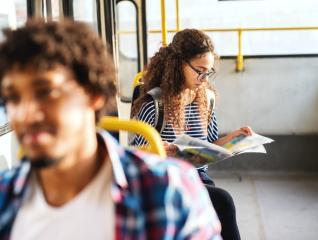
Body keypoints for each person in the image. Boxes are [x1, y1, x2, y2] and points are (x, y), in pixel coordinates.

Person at [0, 20, 222, 239]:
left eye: (45, 92)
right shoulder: (5, 198)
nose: (25, 114)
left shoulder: (169, 191)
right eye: (12, 98)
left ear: (94, 95)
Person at [132, 29, 253, 240]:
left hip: (198, 178)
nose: (203, 78)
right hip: (166, 181)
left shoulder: (206, 99)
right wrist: (161, 151)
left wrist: (236, 139)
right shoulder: (155, 105)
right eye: (199, 70)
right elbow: (135, 156)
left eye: (208, 72)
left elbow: (211, 144)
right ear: (179, 64)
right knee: (223, 201)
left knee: (218, 203)